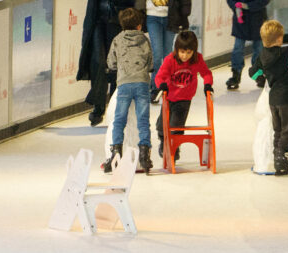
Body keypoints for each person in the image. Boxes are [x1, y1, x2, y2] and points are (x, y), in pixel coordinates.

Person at [248, 21, 288, 176]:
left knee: (278, 129)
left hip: (273, 99)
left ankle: (277, 158)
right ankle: (282, 156)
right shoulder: (286, 53)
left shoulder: (261, 57)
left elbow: (253, 73)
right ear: (279, 39)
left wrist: (263, 74)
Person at [78, 0, 143, 126]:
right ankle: (98, 107)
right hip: (97, 20)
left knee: (117, 64)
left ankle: (115, 108)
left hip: (120, 20)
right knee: (97, 62)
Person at [153, 31, 214, 160]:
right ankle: (163, 141)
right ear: (176, 50)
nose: (185, 56)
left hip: (185, 99)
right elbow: (159, 76)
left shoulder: (197, 59)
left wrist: (207, 85)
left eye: (188, 52)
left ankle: (175, 147)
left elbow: (206, 73)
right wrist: (162, 85)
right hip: (169, 97)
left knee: (177, 125)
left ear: (193, 51)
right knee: (161, 125)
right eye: (182, 52)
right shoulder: (170, 59)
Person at [107, 7, 154, 171]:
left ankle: (115, 153)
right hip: (141, 83)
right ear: (140, 26)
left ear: (122, 25)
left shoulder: (117, 40)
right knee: (143, 121)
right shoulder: (145, 40)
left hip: (124, 84)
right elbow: (150, 63)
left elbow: (111, 62)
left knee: (119, 120)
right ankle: (145, 155)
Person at [225, 0, 270, 90]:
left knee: (259, 48)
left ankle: (258, 73)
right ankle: (236, 75)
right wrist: (236, 6)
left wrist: (248, 6)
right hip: (240, 19)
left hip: (257, 18)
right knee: (238, 48)